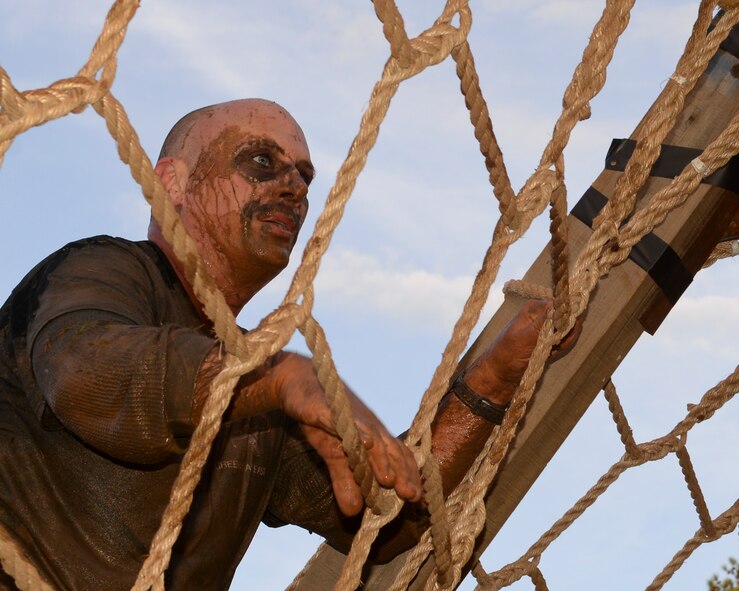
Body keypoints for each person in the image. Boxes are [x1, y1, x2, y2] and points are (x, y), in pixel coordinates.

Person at [0, 99, 572, 590]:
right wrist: (276, 378)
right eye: (259, 162)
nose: (292, 187)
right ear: (171, 181)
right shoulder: (102, 271)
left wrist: (495, 376)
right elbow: (84, 374)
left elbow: (385, 515)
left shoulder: (259, 397)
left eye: (303, 176)